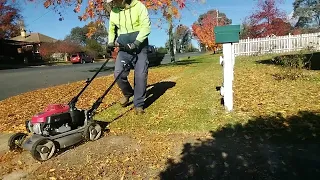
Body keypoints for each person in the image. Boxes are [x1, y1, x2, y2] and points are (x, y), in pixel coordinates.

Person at [106, 0, 151, 115]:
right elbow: (112, 29)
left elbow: (146, 27)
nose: (112, 3)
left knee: (140, 75)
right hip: (124, 48)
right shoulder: (114, 12)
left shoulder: (139, 6)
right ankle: (128, 93)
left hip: (140, 46)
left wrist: (136, 43)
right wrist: (110, 42)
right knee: (118, 73)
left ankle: (139, 104)